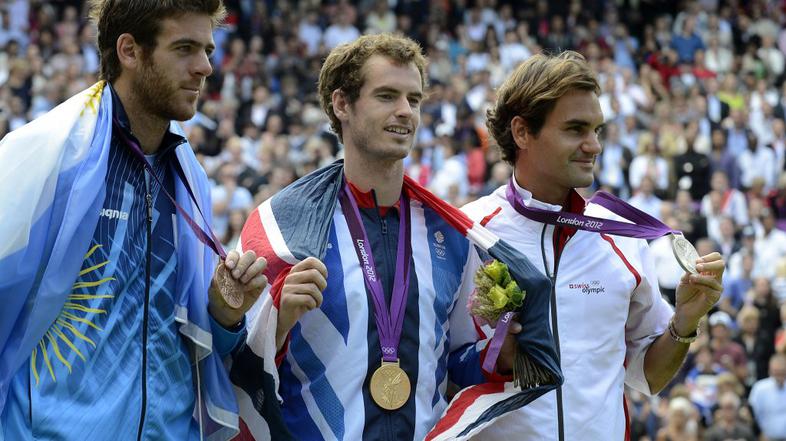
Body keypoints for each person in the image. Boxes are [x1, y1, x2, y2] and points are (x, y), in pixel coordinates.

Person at [230, 34, 558, 441]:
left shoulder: (451, 234)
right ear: (342, 104)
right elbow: (232, 362)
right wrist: (277, 326)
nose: (405, 112)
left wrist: (502, 356)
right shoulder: (282, 228)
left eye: (414, 100)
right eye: (386, 96)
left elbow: (455, 362)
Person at [0, 1, 267, 439]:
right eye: (184, 48)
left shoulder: (188, 173)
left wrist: (224, 313)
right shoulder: (48, 153)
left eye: (207, 50)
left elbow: (196, 338)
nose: (204, 68)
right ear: (129, 50)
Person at [461, 51, 725, 440]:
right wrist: (491, 359)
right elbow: (435, 370)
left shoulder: (622, 237)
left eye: (597, 130)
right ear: (522, 132)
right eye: (575, 129)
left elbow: (647, 375)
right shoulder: (467, 232)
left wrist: (685, 322)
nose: (594, 145)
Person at [748, 354, 786, 440]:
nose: (779, 375)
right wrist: (758, 433)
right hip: (766, 437)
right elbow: (752, 413)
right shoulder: (760, 388)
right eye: (776, 371)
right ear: (770, 370)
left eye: (782, 371)